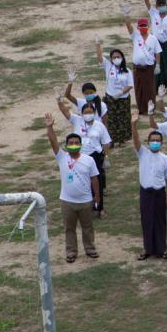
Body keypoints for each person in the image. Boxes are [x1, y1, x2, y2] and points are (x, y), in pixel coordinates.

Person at [43, 113, 100, 264]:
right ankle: (71, 252)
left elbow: (95, 179)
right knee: (69, 229)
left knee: (88, 228)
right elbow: (53, 140)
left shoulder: (89, 160)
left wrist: (97, 197)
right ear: (67, 145)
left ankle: (90, 249)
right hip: (67, 201)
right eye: (71, 142)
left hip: (86, 201)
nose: (74, 144)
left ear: (81, 144)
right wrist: (50, 127)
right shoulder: (62, 157)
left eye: (76, 142)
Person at [55, 95, 110, 218]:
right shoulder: (77, 120)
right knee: (83, 181)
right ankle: (87, 207)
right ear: (82, 113)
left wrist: (106, 157)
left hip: (95, 156)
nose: (88, 114)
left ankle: (100, 208)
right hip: (78, 155)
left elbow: (106, 142)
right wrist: (59, 101)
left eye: (90, 112)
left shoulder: (99, 125)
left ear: (94, 113)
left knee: (97, 182)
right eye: (85, 112)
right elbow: (65, 112)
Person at [130, 111, 167, 260]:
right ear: (148, 142)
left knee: (160, 220)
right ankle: (147, 249)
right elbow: (136, 140)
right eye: (152, 140)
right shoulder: (142, 153)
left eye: (158, 140)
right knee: (147, 220)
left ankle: (161, 249)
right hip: (146, 193)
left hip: (160, 193)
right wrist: (134, 124)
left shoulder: (165, 159)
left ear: (162, 143)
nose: (155, 142)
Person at [96, 39, 134, 146]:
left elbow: (130, 85)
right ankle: (111, 140)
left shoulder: (127, 70)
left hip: (123, 98)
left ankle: (122, 140)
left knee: (123, 119)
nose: (116, 59)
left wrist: (121, 93)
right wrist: (98, 44)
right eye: (114, 57)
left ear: (122, 58)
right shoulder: (109, 67)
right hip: (110, 98)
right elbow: (99, 58)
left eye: (118, 57)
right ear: (111, 59)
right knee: (111, 120)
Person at [124, 12, 161, 116]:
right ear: (138, 27)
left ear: (148, 26)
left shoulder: (153, 38)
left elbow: (157, 52)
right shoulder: (136, 36)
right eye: (141, 26)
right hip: (137, 67)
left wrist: (158, 65)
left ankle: (151, 108)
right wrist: (127, 16)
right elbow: (128, 26)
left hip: (148, 67)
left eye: (144, 25)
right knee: (139, 88)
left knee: (149, 88)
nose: (143, 27)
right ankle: (141, 108)